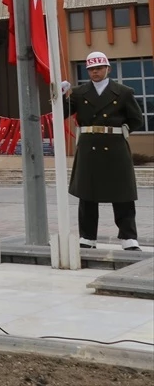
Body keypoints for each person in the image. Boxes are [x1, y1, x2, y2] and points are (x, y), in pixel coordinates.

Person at [63, 52, 143, 251]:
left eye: (98, 68)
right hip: (89, 146)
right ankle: (87, 238)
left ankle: (128, 238)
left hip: (115, 145)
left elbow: (136, 119)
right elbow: (62, 114)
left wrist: (120, 132)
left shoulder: (123, 92)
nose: (95, 72)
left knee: (122, 193)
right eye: (91, 68)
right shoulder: (79, 92)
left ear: (108, 68)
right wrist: (60, 96)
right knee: (87, 193)